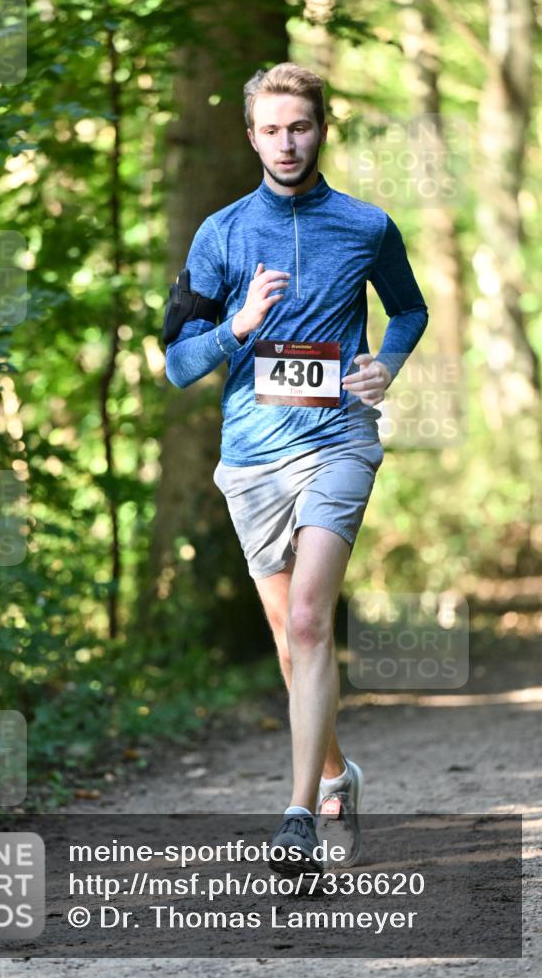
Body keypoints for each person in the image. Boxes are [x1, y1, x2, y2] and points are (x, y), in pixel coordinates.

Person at [165, 62, 428, 875]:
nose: (287, 142)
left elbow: (408, 307)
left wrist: (384, 362)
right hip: (251, 459)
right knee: (290, 637)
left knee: (310, 619)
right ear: (251, 136)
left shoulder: (366, 226)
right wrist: (237, 325)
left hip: (339, 439)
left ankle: (298, 817)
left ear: (322, 128)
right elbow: (176, 363)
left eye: (300, 126)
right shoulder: (220, 234)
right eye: (271, 129)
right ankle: (334, 773)